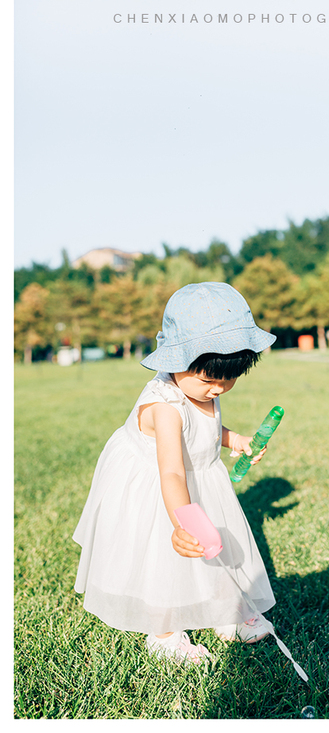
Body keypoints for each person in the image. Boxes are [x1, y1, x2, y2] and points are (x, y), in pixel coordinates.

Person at [73, 282, 277, 665]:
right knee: (164, 558)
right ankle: (164, 632)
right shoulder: (164, 408)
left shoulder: (202, 392)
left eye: (229, 378)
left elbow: (206, 432)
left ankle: (226, 613)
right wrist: (181, 522)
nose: (218, 389)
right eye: (209, 378)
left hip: (198, 476)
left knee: (217, 547)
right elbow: (171, 473)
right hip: (160, 487)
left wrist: (235, 441)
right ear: (175, 361)